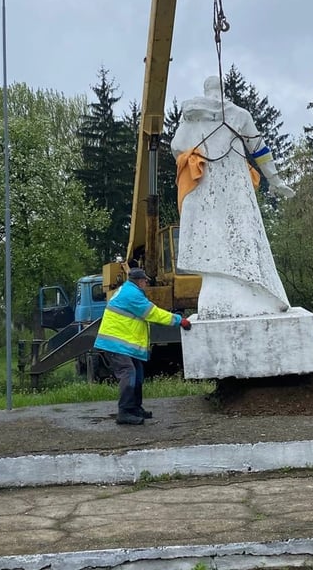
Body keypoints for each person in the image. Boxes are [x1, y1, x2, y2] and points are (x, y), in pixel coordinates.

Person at [171, 76, 294, 320]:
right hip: (234, 181)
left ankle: (217, 294)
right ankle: (256, 291)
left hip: (204, 181)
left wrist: (198, 149)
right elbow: (259, 149)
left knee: (210, 235)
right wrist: (276, 181)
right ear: (224, 90)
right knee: (243, 233)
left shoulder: (191, 115)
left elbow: (177, 145)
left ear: (206, 91)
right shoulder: (239, 114)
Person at [94, 268, 192, 425]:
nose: (147, 282)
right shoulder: (132, 295)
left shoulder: (128, 290)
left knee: (137, 373)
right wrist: (179, 320)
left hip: (120, 343)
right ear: (139, 281)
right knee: (129, 372)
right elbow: (153, 314)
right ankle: (124, 412)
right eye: (145, 280)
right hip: (115, 343)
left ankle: (135, 408)